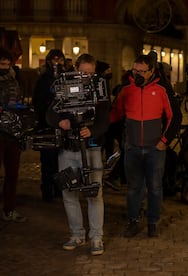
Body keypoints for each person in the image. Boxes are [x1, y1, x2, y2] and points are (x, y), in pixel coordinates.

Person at [46, 53, 110, 256]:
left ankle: (96, 237)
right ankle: (76, 234)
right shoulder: (64, 84)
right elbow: (50, 113)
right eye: (83, 72)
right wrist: (59, 122)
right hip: (68, 146)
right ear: (75, 67)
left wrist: (93, 131)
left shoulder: (100, 88)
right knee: (69, 192)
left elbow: (105, 119)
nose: (86, 77)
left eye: (90, 73)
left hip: (91, 148)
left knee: (94, 193)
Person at [110, 54, 173, 238]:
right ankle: (133, 220)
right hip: (133, 147)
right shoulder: (126, 89)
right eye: (135, 70)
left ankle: (153, 221)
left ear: (151, 72)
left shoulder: (162, 89)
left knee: (154, 187)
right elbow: (116, 113)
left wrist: (164, 140)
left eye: (142, 71)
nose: (137, 74)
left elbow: (173, 117)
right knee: (133, 188)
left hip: (155, 148)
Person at [32, 49, 66, 202]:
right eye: (54, 60)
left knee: (62, 160)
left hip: (63, 125)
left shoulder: (65, 78)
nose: (57, 63)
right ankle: (47, 190)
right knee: (48, 160)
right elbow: (38, 101)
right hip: (47, 125)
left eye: (60, 60)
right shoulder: (43, 79)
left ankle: (59, 188)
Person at [0, 48, 27, 222]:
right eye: (2, 63)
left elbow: (18, 99)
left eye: (8, 64)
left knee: (12, 174)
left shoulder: (13, 80)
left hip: (12, 132)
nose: (5, 67)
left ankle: (9, 209)